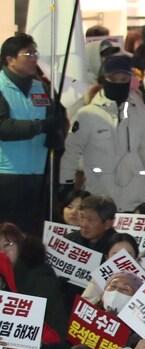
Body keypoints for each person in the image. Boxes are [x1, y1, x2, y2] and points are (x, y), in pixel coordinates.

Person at [59, 53, 145, 211]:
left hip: (134, 194)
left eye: (124, 79)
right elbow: (72, 151)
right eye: (113, 79)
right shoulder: (88, 114)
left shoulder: (137, 110)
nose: (119, 83)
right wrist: (67, 182)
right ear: (104, 79)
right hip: (99, 195)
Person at [0, 35, 65, 234]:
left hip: (39, 174)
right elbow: (3, 127)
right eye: (27, 53)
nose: (33, 58)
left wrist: (57, 133)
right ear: (10, 59)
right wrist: (40, 126)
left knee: (33, 233)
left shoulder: (42, 88)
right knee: (8, 233)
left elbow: (59, 117)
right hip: (7, 175)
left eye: (35, 53)